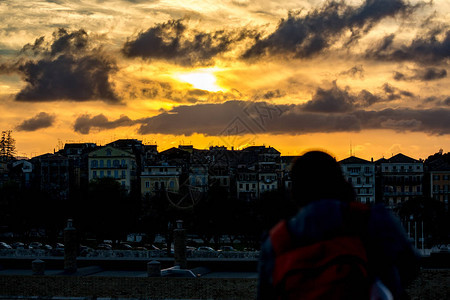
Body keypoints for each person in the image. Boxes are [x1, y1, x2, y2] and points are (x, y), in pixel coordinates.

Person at [257, 150, 419, 300]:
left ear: (295, 193)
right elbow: (410, 267)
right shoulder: (370, 219)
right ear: (342, 183)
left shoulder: (277, 241)